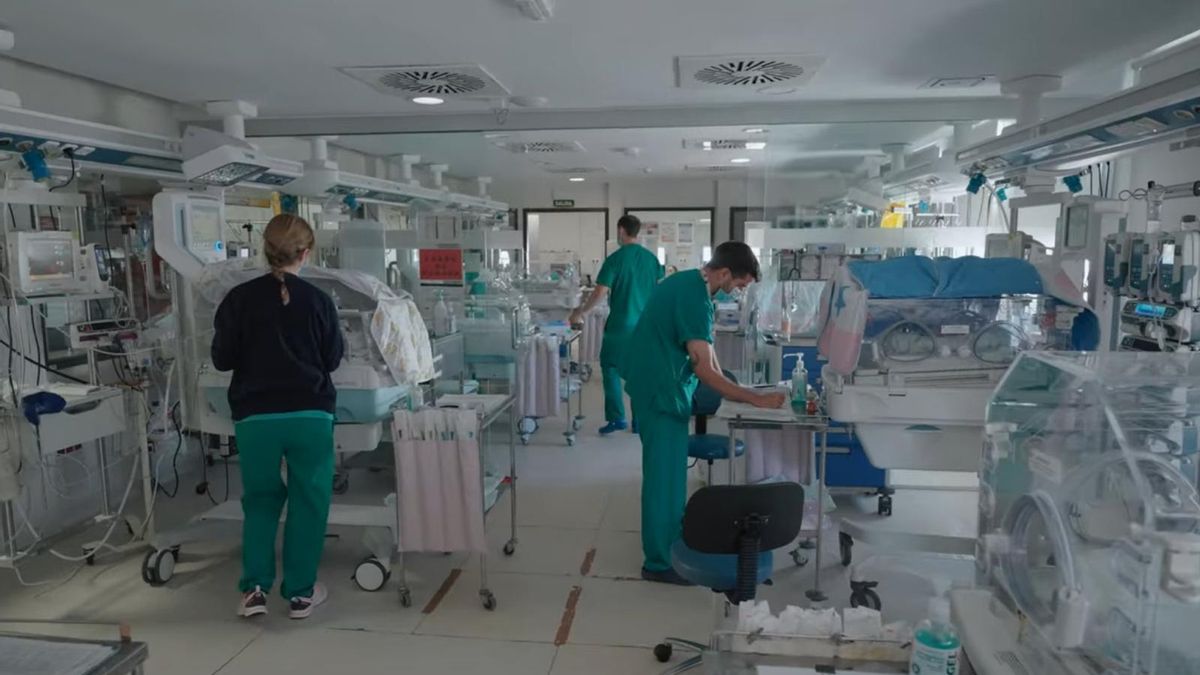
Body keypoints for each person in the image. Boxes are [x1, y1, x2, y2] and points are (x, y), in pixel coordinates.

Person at [620, 241, 785, 585]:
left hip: (660, 386)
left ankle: (672, 543)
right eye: (739, 285)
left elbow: (708, 359)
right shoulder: (694, 297)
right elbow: (704, 369)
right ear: (725, 273)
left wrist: (737, 390)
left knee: (668, 478)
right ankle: (659, 563)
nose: (738, 292)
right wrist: (753, 398)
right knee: (663, 481)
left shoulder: (691, 286)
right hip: (659, 393)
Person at [211, 214, 345, 620]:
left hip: (256, 419)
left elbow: (221, 359)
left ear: (264, 250)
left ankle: (254, 590)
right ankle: (301, 594)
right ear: (307, 253)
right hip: (310, 415)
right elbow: (333, 359)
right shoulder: (319, 301)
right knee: (309, 500)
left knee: (262, 501)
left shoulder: (238, 299)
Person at [568, 214, 662, 435]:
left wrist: (581, 312)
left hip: (620, 327)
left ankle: (617, 418)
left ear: (621, 231)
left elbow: (600, 292)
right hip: (645, 327)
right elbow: (658, 291)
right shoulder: (652, 260)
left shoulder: (615, 260)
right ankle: (639, 421)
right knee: (640, 373)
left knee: (610, 368)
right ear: (637, 232)